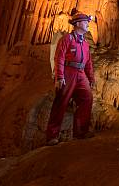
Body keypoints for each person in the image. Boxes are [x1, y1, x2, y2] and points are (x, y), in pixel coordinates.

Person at [46, 11, 95, 145]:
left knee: (87, 98)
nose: (87, 25)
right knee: (61, 101)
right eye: (85, 22)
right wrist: (60, 77)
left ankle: (80, 132)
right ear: (78, 24)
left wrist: (91, 79)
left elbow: (88, 62)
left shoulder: (85, 43)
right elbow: (59, 57)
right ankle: (52, 136)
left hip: (80, 72)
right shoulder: (67, 39)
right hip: (68, 71)